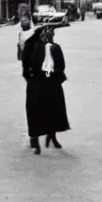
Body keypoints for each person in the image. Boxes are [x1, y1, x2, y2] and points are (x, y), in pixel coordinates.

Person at [21, 23, 70, 151]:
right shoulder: (31, 46)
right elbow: (26, 66)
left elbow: (60, 65)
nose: (50, 36)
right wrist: (32, 80)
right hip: (36, 83)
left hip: (51, 83)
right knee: (36, 111)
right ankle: (35, 139)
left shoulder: (54, 47)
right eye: (48, 34)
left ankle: (51, 136)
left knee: (53, 110)